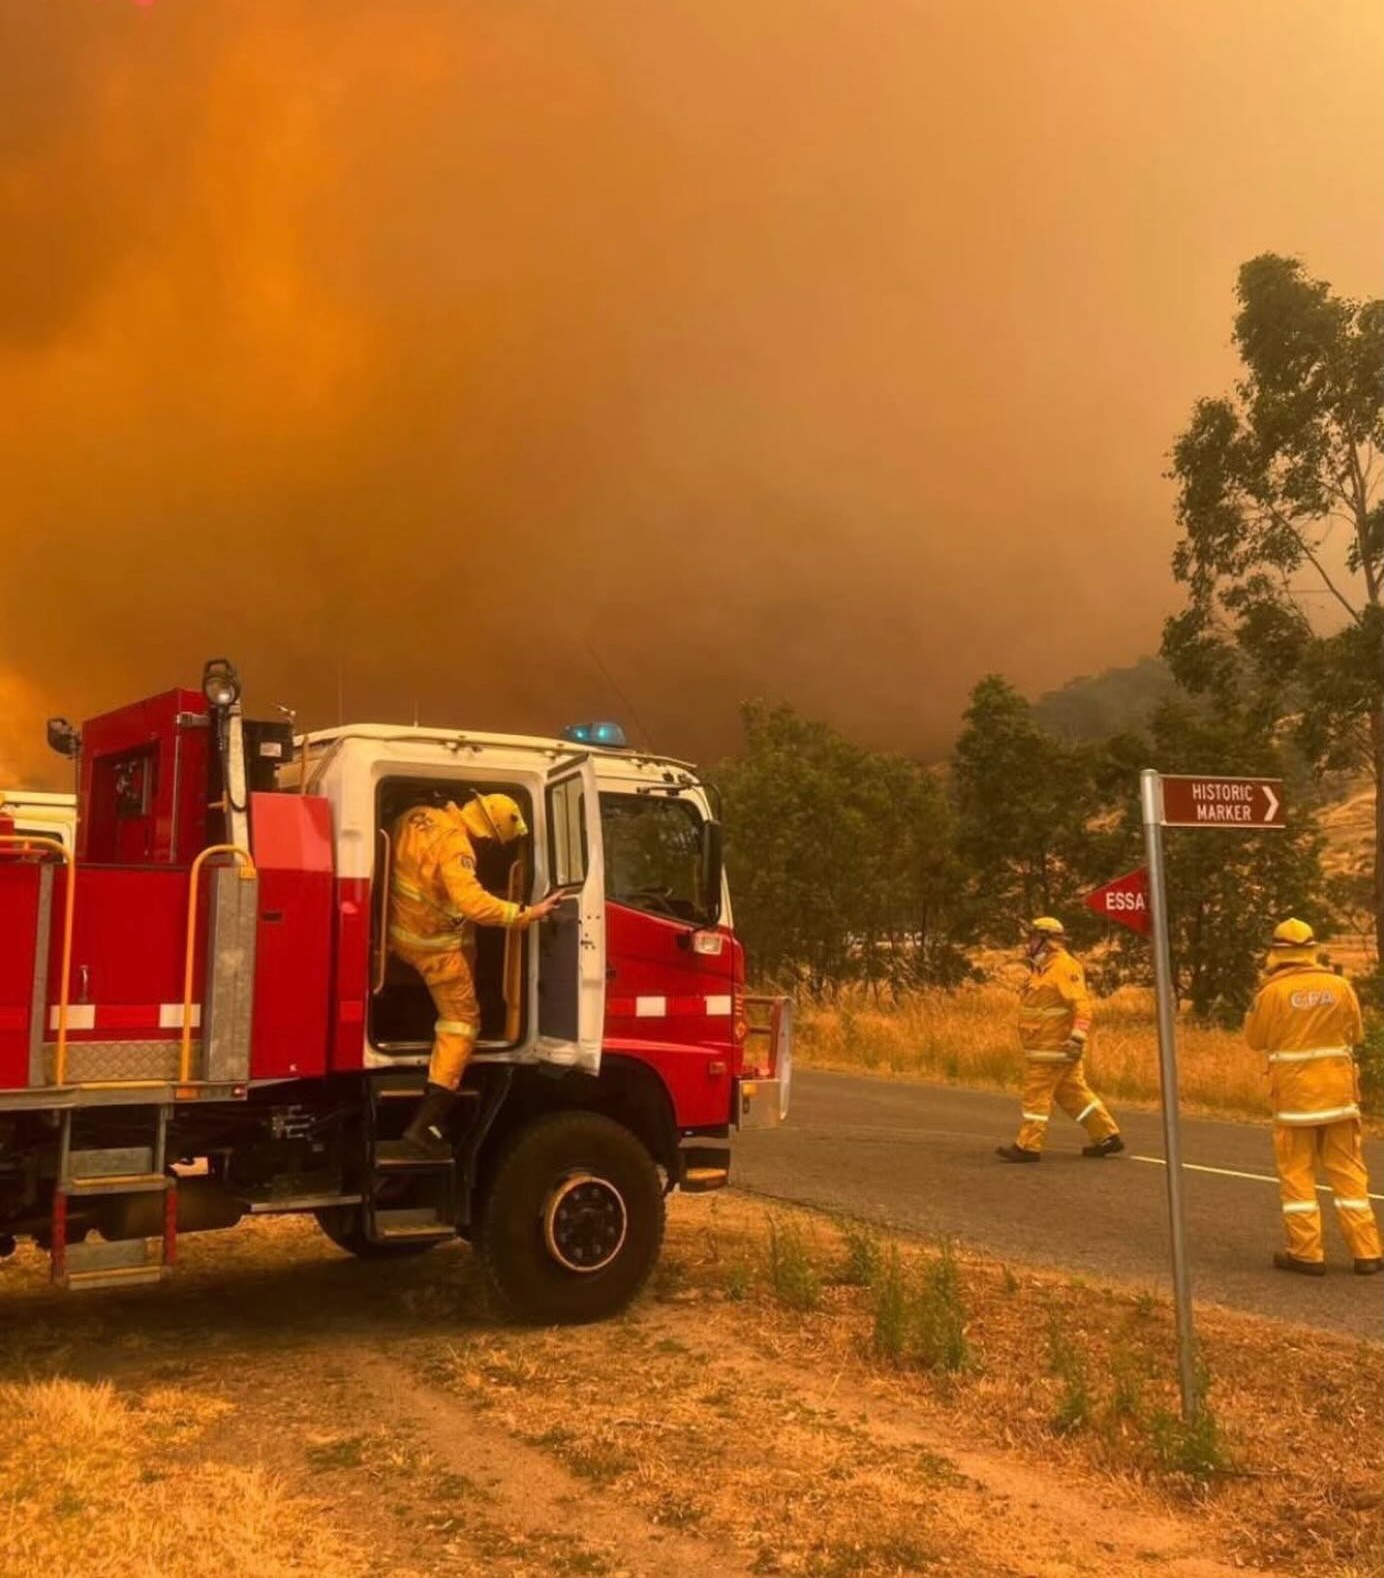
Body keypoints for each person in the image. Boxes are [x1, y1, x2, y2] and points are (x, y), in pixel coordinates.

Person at [389, 792, 562, 1158]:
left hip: (399, 931)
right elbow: (473, 905)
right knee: (463, 1022)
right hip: (430, 946)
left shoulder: (417, 814)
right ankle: (427, 1122)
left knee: (468, 945)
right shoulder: (457, 847)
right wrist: (527, 913)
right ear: (488, 835)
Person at [1244, 918, 1382, 1277]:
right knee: (1349, 1174)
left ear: (1276, 952)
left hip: (1295, 1102)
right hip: (1339, 1097)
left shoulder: (1270, 993)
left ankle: (1307, 1254)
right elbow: (1356, 1033)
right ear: (1312, 950)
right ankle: (1367, 1252)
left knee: (1297, 1175)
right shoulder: (1340, 986)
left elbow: (1254, 1040)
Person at [996, 916, 1123, 1163]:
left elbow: (1082, 1006)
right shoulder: (1042, 969)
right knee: (1072, 1093)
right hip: (1046, 1049)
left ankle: (1028, 1146)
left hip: (1053, 1051)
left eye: (1033, 938)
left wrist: (1077, 1038)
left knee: (1036, 1095)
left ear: (1047, 941)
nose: (1028, 944)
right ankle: (1106, 1135)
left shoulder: (1064, 967)